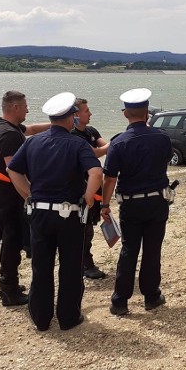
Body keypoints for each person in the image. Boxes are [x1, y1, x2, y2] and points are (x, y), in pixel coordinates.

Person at [7, 92, 102, 331]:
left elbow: (13, 170)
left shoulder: (32, 142)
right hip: (69, 214)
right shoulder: (78, 143)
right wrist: (88, 199)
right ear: (71, 118)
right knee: (70, 267)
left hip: (39, 213)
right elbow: (96, 173)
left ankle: (41, 318)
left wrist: (28, 195)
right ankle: (68, 318)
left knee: (41, 267)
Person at [101, 88, 173, 316]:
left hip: (131, 204)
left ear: (125, 114)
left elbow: (110, 177)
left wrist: (104, 205)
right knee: (153, 249)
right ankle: (151, 296)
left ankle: (120, 301)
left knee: (129, 249)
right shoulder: (162, 137)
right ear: (147, 113)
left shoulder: (118, 143)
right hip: (157, 201)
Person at [0, 91, 49, 306]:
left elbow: (30, 130)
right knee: (12, 242)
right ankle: (8, 289)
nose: (27, 110)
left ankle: (9, 283)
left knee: (10, 240)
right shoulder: (10, 135)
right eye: (24, 107)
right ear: (14, 108)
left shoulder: (3, 127)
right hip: (10, 198)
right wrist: (31, 198)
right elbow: (15, 171)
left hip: (2, 195)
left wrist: (55, 125)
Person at [71, 97, 110, 280]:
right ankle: (86, 265)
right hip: (81, 188)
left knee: (89, 228)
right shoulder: (73, 135)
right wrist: (119, 139)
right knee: (84, 229)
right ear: (76, 115)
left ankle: (84, 262)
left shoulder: (91, 131)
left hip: (95, 187)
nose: (90, 113)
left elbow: (106, 147)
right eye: (87, 111)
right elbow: (95, 153)